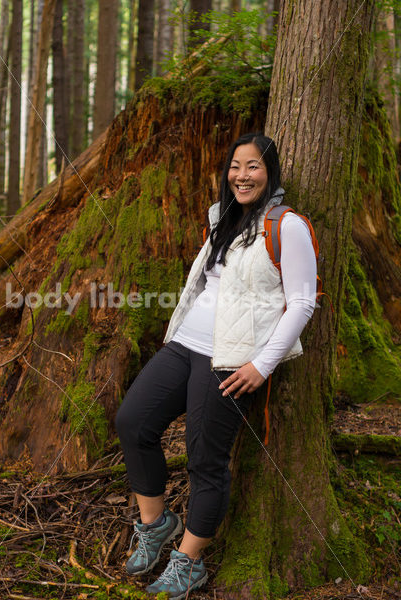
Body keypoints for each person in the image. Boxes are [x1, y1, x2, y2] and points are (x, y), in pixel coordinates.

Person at [115, 133, 317, 599]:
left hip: (231, 360)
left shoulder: (287, 225)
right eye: (235, 167)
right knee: (133, 421)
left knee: (206, 460)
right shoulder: (221, 218)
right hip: (184, 344)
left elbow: (303, 303)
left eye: (253, 167)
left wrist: (261, 366)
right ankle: (157, 524)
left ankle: (189, 563)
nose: (242, 176)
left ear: (271, 173)